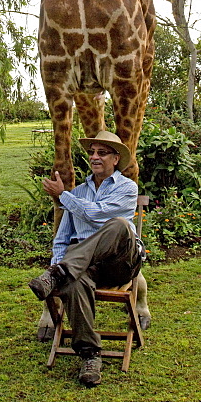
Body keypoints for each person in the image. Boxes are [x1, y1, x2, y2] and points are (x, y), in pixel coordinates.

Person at [28, 130, 145, 387]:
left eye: (101, 153)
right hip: (84, 267)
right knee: (73, 280)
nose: (94, 157)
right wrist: (57, 262)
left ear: (116, 159)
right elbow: (63, 237)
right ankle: (90, 354)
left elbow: (99, 216)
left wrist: (64, 196)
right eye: (92, 152)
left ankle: (60, 272)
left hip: (119, 263)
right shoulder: (78, 192)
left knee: (118, 225)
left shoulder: (127, 187)